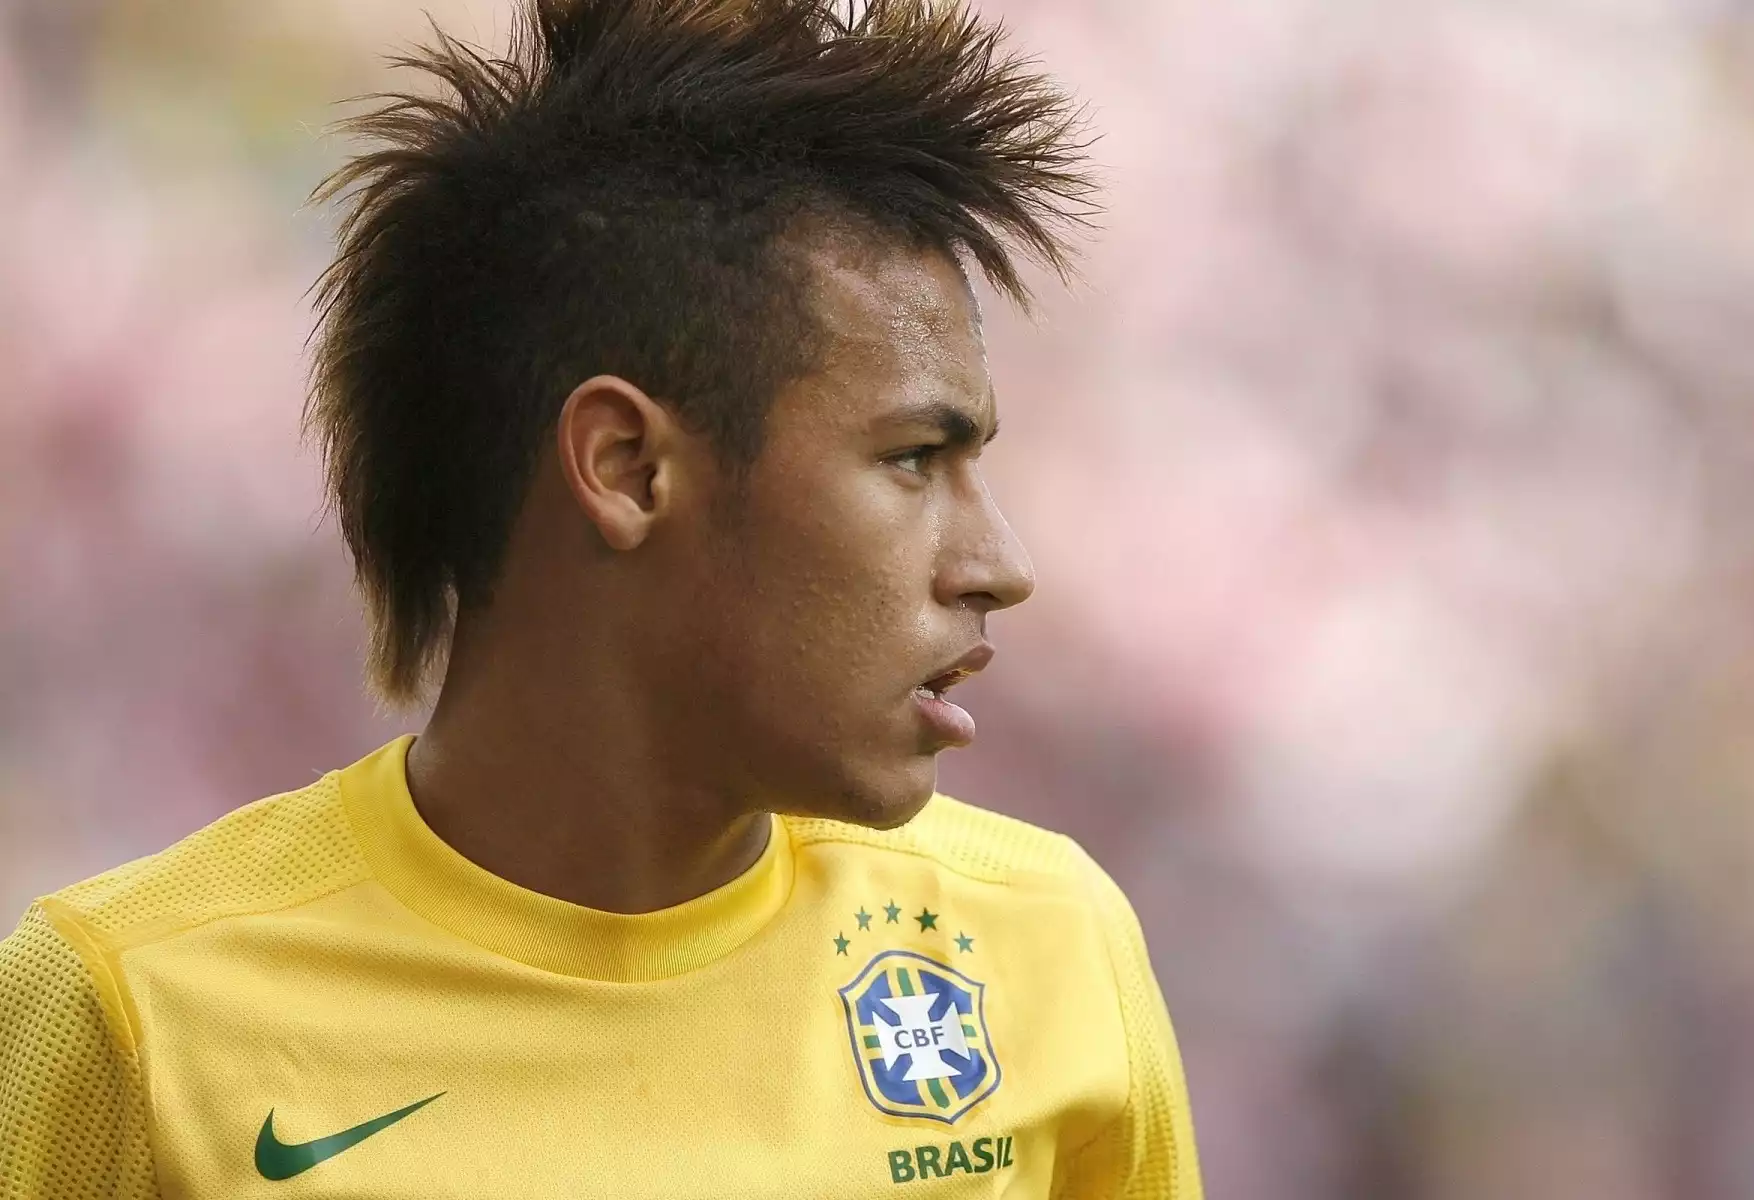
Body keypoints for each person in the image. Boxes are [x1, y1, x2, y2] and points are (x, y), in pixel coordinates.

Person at [0, 0, 1204, 1194]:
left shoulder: (1048, 950)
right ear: (626, 468)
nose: (1000, 563)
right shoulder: (132, 1014)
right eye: (913, 459)